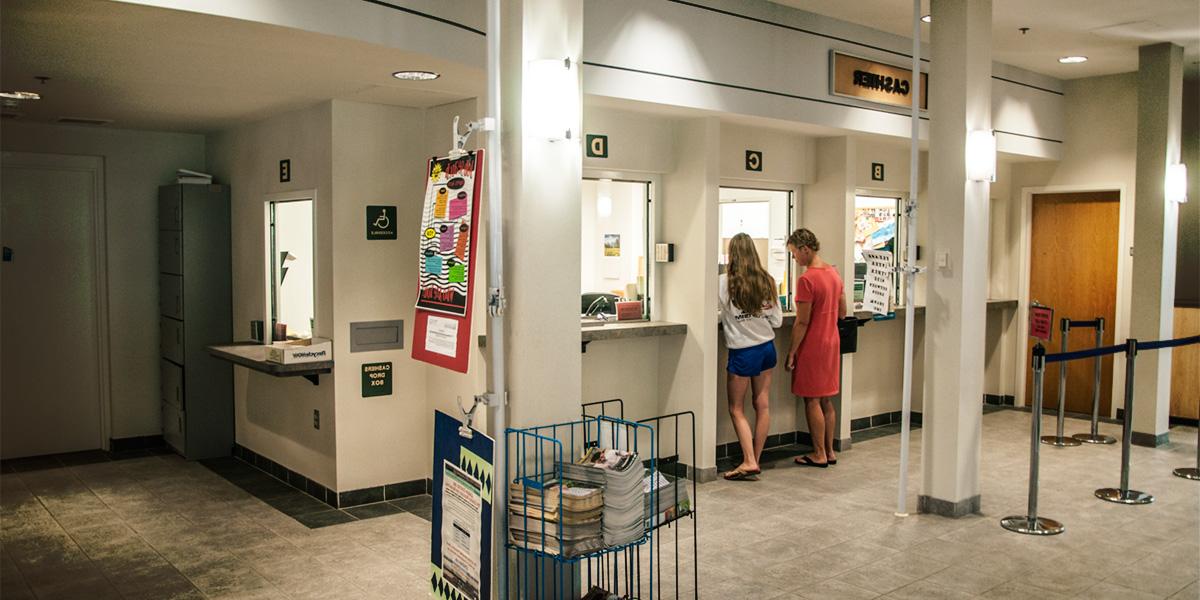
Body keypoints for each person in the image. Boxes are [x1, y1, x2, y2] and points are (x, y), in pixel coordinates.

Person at [719, 233, 783, 480]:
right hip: (767, 347)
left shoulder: (724, 282)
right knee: (762, 403)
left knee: (736, 408)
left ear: (732, 255)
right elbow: (776, 321)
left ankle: (748, 461)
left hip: (744, 350)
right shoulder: (767, 280)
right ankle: (754, 459)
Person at [785, 228, 846, 468]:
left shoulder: (806, 280)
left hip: (812, 345)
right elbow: (842, 312)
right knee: (827, 400)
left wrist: (792, 351)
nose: (794, 259)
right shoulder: (834, 273)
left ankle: (818, 453)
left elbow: (802, 321)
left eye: (794, 253)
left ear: (805, 249)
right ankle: (829, 451)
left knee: (812, 400)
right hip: (831, 342)